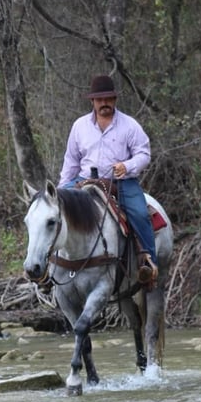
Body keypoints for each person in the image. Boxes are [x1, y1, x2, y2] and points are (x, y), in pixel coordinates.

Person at [58, 74, 158, 285]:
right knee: (50, 211)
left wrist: (127, 165)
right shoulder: (80, 126)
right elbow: (71, 161)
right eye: (100, 99)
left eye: (108, 98)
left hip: (120, 182)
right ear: (92, 101)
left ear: (114, 99)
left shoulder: (129, 125)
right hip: (84, 179)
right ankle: (46, 267)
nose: (104, 103)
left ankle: (148, 265)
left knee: (140, 213)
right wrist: (60, 190)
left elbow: (144, 154)